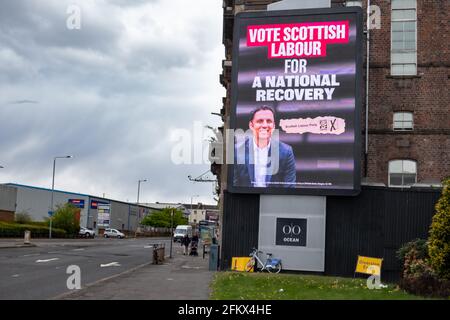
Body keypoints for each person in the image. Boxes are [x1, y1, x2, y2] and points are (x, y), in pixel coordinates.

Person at [234, 106, 296, 188]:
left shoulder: (286, 152)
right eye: (260, 121)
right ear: (251, 125)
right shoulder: (237, 150)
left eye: (269, 121)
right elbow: (234, 185)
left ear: (273, 126)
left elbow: (289, 188)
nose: (265, 125)